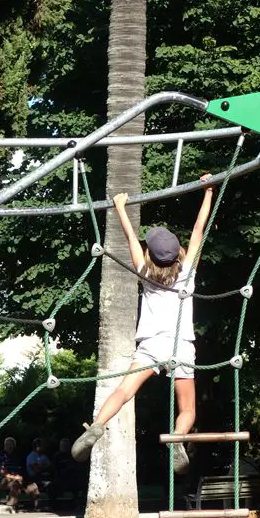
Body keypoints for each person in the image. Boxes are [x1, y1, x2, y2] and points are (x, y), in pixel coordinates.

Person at [71, 179, 216, 474]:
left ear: (150, 255)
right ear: (179, 255)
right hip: (181, 346)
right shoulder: (187, 273)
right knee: (187, 408)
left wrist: (121, 207)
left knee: (124, 391)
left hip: (150, 346)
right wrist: (208, 192)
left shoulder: (144, 273)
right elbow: (199, 231)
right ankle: (177, 440)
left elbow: (130, 238)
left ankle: (96, 425)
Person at [0, 436, 39, 509]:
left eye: (11, 444)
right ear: (5, 445)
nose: (9, 446)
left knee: (33, 486)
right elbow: (1, 471)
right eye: (8, 444)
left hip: (18, 479)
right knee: (15, 484)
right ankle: (10, 506)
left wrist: (23, 478)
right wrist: (15, 477)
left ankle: (34, 507)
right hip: (3, 480)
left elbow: (22, 470)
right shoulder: (0, 456)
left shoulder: (17, 456)